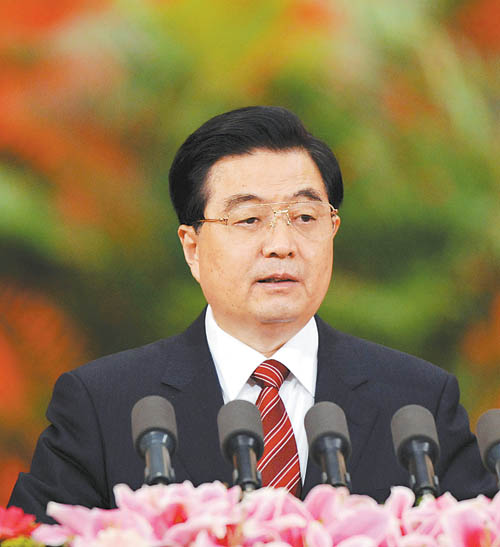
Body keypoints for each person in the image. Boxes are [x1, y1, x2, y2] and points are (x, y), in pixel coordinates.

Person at [8, 106, 495, 523]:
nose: (281, 245)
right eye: (249, 219)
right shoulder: (103, 406)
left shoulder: (417, 404)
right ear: (192, 248)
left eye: (304, 217)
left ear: (332, 229)